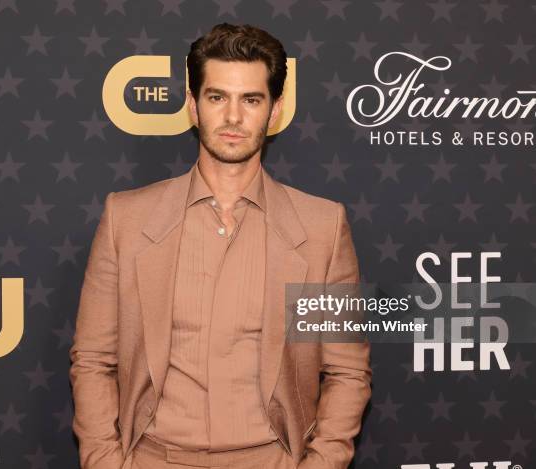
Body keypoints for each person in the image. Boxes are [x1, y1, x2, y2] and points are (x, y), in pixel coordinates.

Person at [69, 22, 371, 469]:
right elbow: (94, 359)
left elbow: (347, 372)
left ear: (275, 110)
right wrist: (106, 461)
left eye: (251, 100)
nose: (233, 118)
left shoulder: (322, 228)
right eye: (217, 98)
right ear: (193, 106)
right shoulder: (126, 220)